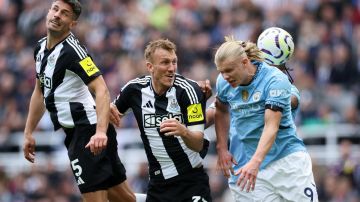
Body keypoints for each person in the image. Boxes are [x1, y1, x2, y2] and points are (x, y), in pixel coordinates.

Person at [22, 1, 135, 201]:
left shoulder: (73, 51)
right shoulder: (40, 48)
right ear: (48, 11)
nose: (57, 15)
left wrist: (100, 132)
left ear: (72, 24)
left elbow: (101, 89)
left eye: (64, 14)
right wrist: (28, 132)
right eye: (55, 9)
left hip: (88, 134)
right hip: (81, 133)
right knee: (125, 199)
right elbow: (39, 92)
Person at [214, 36, 318, 201]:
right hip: (247, 168)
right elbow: (220, 109)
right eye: (221, 71)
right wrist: (221, 148)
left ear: (245, 62)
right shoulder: (224, 83)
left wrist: (256, 162)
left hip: (286, 161)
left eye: (229, 70)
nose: (225, 76)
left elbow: (271, 126)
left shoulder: (275, 80)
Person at [110, 39, 212, 202]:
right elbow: (110, 114)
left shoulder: (190, 91)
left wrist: (183, 131)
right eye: (165, 63)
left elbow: (198, 143)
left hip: (190, 180)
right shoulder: (134, 90)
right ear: (150, 67)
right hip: (158, 183)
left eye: (174, 62)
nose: (171, 68)